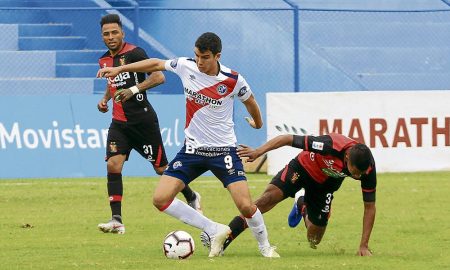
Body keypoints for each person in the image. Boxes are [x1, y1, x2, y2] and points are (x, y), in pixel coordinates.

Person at [97, 32, 279, 258]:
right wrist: (119, 70)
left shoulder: (233, 79)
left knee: (245, 206)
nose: (199, 62)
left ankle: (265, 247)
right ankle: (214, 229)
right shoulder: (186, 66)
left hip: (224, 152)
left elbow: (250, 101)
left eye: (204, 57)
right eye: (197, 56)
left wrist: (257, 124)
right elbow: (155, 63)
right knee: (160, 199)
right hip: (192, 150)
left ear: (217, 56)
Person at [96, 14, 202, 235]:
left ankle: (191, 195)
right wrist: (106, 99)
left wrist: (133, 90)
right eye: (106, 33)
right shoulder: (104, 60)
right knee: (113, 165)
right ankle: (117, 220)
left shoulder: (135, 53)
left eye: (114, 32)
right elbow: (112, 82)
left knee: (161, 168)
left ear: (122, 33)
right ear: (102, 36)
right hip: (119, 124)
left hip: (143, 122)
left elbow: (158, 78)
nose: (111, 37)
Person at [203, 133, 376, 256]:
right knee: (266, 200)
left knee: (314, 240)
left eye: (360, 174)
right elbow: (287, 139)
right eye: (355, 172)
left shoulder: (367, 168)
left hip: (324, 187)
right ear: (347, 157)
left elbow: (370, 207)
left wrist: (363, 245)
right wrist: (258, 151)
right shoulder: (329, 145)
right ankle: (225, 239)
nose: (357, 177)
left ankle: (302, 204)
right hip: (302, 169)